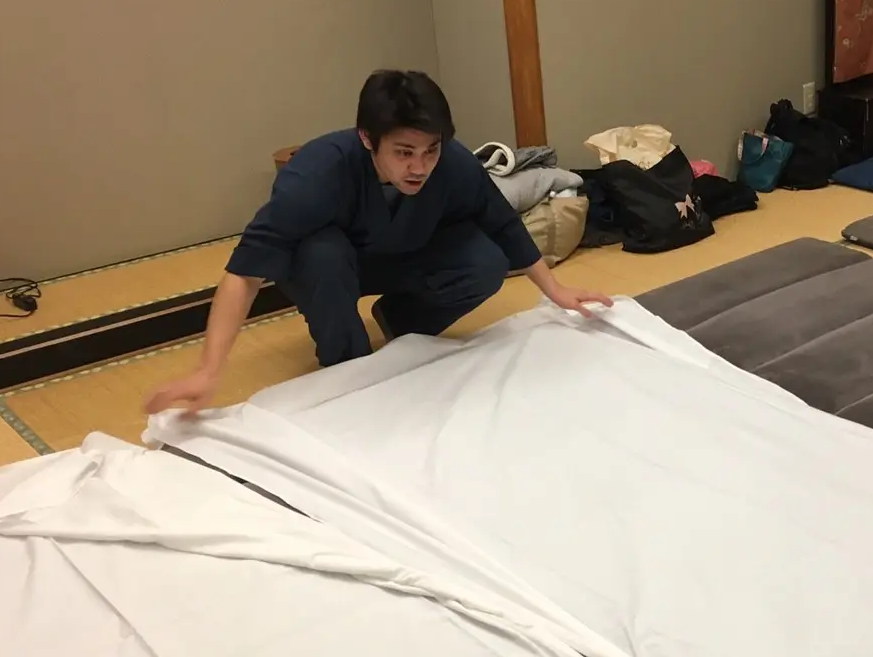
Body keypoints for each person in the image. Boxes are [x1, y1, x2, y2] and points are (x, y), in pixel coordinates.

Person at [147, 70, 610, 413]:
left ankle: (402, 321)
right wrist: (208, 370)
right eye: (404, 152)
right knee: (323, 255)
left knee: (486, 259)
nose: (419, 166)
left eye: (430, 150)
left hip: (404, 253)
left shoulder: (451, 163)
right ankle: (348, 363)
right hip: (328, 269)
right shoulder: (317, 173)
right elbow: (244, 273)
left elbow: (502, 224)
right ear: (368, 138)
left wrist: (555, 291)